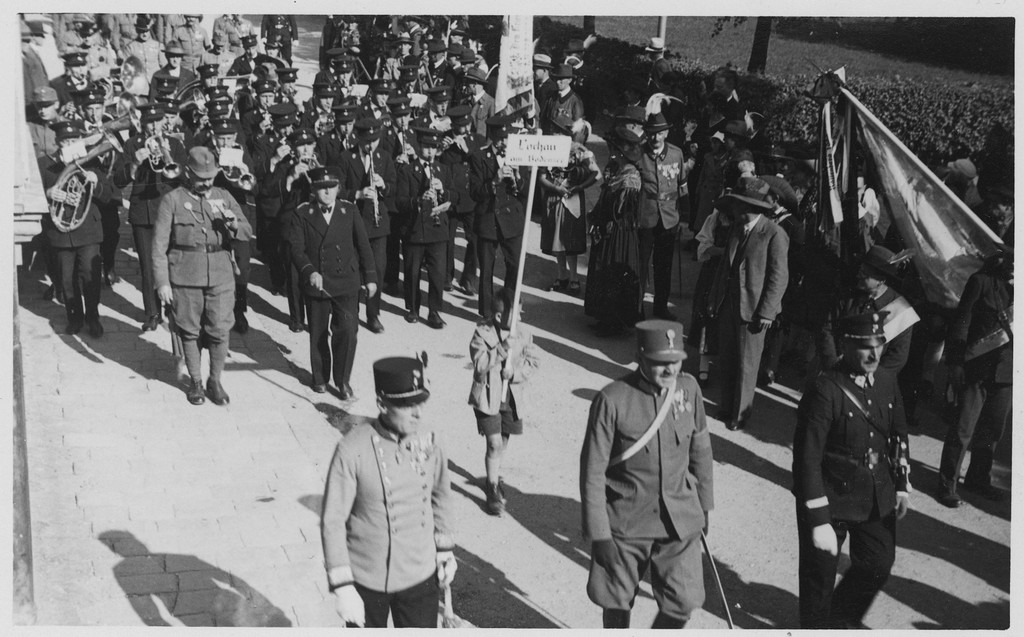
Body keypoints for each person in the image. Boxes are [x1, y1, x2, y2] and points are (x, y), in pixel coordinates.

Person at [580, 319, 714, 629]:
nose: (670, 371)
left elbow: (701, 452)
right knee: (616, 601)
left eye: (676, 362)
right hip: (627, 523)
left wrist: (704, 506)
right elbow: (592, 473)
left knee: (683, 601)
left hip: (678, 519)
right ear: (640, 357)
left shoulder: (689, 389)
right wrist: (600, 535)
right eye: (659, 364)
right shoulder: (612, 400)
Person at [792, 311, 911, 629]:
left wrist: (900, 483)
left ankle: (841, 618)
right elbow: (807, 459)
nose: (874, 353)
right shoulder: (825, 389)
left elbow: (898, 434)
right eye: (864, 346)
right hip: (832, 497)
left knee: (878, 564)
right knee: (819, 577)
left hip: (875, 491)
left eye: (879, 344)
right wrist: (818, 521)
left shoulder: (887, 380)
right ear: (845, 345)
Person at [321, 355, 457, 628]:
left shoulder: (430, 438)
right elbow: (332, 520)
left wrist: (444, 549)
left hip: (419, 573)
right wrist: (343, 585)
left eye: (420, 402)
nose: (418, 413)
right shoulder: (352, 449)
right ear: (382, 404)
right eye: (407, 405)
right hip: (367, 578)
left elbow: (441, 494)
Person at [153, 147, 251, 406]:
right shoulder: (172, 200)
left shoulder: (224, 195)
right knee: (189, 330)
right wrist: (162, 282)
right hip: (185, 275)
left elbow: (246, 230)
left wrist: (233, 224)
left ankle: (215, 380)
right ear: (188, 173)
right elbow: (159, 246)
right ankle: (195, 381)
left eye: (210, 177)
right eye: (201, 177)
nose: (207, 183)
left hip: (221, 274)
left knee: (220, 329)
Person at [706, 176, 789, 430]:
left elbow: (779, 276)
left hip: (754, 310)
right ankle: (725, 406)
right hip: (729, 304)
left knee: (747, 363)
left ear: (753, 208)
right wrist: (713, 298)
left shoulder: (774, 234)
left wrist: (767, 311)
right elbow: (724, 267)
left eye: (740, 205)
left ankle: (740, 415)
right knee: (728, 357)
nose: (735, 209)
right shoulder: (736, 228)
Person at [289, 166, 377, 398]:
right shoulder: (302, 213)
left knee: (348, 331)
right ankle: (320, 378)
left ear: (338, 188)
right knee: (318, 333)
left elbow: (363, 246)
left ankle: (342, 380)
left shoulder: (349, 211)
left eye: (331, 188)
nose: (327, 193)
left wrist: (370, 278)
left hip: (346, 281)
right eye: (321, 188)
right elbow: (296, 250)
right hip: (317, 283)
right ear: (313, 190)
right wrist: (310, 271)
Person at [936, 244, 1013, 507]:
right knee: (963, 428)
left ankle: (979, 479)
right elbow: (962, 323)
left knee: (992, 429)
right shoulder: (981, 282)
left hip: (1007, 371)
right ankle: (948, 482)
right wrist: (955, 363)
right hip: (976, 368)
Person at [114, 103, 188, 331]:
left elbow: (183, 178)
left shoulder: (174, 143)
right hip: (143, 211)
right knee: (148, 265)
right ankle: (152, 313)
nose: (154, 127)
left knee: (173, 262)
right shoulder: (132, 144)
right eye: (150, 123)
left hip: (169, 210)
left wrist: (167, 155)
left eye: (158, 121)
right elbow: (119, 181)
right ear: (142, 124)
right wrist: (135, 162)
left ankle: (176, 309)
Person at [40, 120, 116, 337]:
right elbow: (35, 195)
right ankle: (74, 318)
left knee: (90, 277)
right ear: (58, 142)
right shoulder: (45, 164)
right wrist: (49, 194)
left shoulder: (91, 164)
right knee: (66, 280)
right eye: (66, 141)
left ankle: (93, 318)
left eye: (75, 140)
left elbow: (109, 195)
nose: (71, 144)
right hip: (61, 232)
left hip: (88, 230)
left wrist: (96, 183)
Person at [468, 287, 538, 516]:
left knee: (502, 445)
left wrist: (515, 375)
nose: (520, 318)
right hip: (488, 398)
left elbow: (533, 361)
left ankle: (493, 472)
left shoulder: (525, 333)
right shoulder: (482, 333)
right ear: (499, 317)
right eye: (516, 314)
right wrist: (502, 349)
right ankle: (492, 486)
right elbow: (479, 366)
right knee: (494, 444)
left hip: (511, 399)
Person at [819, 245, 920, 375]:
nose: (858, 275)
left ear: (881, 280)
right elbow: (827, 329)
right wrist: (832, 364)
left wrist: (869, 377)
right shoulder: (847, 294)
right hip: (834, 369)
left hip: (869, 380)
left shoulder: (900, 310)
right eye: (860, 270)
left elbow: (896, 359)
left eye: (865, 274)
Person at [338, 118, 397, 334]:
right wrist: (358, 194)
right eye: (367, 140)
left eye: (374, 140)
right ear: (358, 137)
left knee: (377, 270)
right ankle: (351, 314)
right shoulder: (345, 158)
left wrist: (384, 186)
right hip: (354, 223)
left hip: (377, 222)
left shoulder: (384, 157)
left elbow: (394, 186)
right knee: (353, 270)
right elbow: (337, 190)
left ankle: (373, 315)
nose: (370, 145)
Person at [470, 115, 528, 321]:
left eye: (507, 139)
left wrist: (516, 180)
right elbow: (475, 192)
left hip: (511, 219)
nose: (504, 143)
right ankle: (487, 312)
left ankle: (508, 306)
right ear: (493, 137)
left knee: (515, 264)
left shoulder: (517, 156)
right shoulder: (478, 157)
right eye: (501, 139)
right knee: (486, 268)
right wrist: (495, 181)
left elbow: (524, 192)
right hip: (488, 218)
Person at [395, 128, 454, 329]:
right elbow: (400, 202)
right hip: (414, 229)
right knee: (412, 272)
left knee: (437, 273)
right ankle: (412, 308)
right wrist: (419, 201)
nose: (429, 152)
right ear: (419, 147)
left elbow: (452, 198)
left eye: (433, 148)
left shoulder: (443, 170)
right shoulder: (406, 171)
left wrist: (442, 191)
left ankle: (435, 311)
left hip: (437, 229)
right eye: (426, 147)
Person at [538, 118, 600, 295]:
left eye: (568, 132)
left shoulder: (582, 152)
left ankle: (574, 277)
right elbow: (541, 177)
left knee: (570, 239)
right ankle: (561, 275)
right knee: (557, 238)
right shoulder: (550, 150)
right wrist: (556, 189)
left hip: (572, 199)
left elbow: (596, 174)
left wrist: (579, 187)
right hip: (554, 198)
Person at [637, 112, 689, 320]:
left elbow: (683, 186)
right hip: (646, 216)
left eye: (659, 133)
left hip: (669, 217)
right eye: (651, 133)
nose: (655, 138)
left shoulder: (676, 154)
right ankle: (637, 307)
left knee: (663, 267)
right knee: (641, 264)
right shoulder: (639, 154)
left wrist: (684, 217)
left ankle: (660, 308)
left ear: (666, 133)